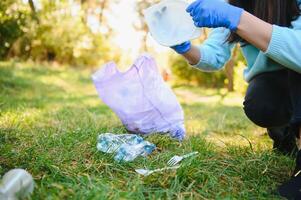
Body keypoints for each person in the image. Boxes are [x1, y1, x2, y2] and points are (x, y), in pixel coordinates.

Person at [171, 0, 301, 197]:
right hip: (274, 85)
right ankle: (284, 135)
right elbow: (214, 56)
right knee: (261, 103)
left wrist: (238, 19)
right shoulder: (236, 3)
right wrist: (185, 48)